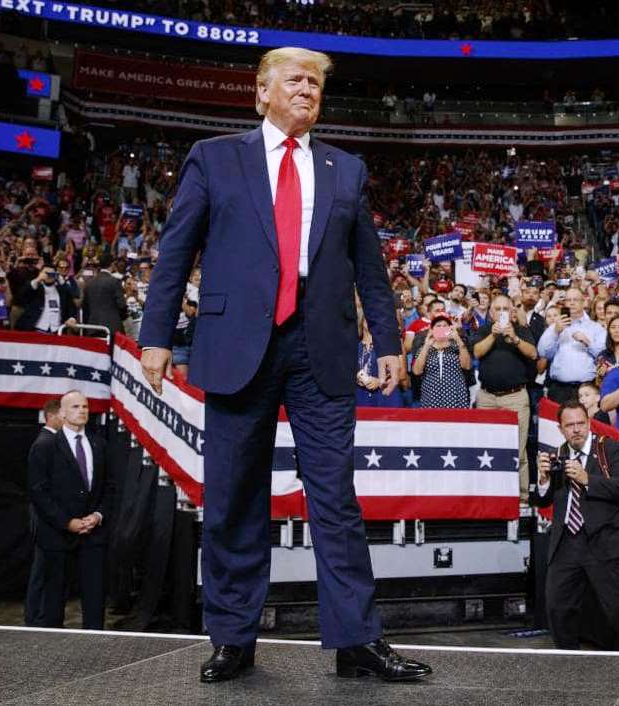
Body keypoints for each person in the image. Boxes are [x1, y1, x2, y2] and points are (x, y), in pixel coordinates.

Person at [138, 47, 431, 684]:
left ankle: (357, 640)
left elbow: (370, 267)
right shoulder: (215, 157)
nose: (307, 90)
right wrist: (155, 335)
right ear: (261, 93)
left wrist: (388, 342)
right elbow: (175, 251)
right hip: (237, 344)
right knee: (233, 496)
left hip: (319, 348)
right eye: (295, 80)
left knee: (335, 497)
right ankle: (232, 637)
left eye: (316, 84)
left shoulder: (345, 168)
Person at [534, 401, 619, 651]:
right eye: (569, 425)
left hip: (603, 540)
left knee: (617, 607)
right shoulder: (558, 454)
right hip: (566, 541)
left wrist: (587, 479)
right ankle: (569, 659)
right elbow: (543, 500)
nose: (576, 429)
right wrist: (543, 480)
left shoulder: (610, 448)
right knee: (557, 606)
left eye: (580, 423)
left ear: (589, 423)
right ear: (560, 428)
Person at [27, 391, 112, 630]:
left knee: (95, 601)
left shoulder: (99, 444)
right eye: (75, 407)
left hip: (94, 535)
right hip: (57, 536)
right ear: (62, 413)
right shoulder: (45, 446)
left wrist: (97, 515)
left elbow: (110, 487)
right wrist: (67, 522)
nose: (82, 411)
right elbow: (38, 492)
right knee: (53, 604)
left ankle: (95, 645)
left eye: (85, 406)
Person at [472, 294, 538, 498]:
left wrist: (515, 339)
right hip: (487, 398)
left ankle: (522, 497)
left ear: (512, 311)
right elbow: (477, 352)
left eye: (505, 309)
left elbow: (533, 354)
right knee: (486, 448)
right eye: (497, 309)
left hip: (515, 397)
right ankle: (489, 494)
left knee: (518, 448)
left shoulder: (521, 330)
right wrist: (493, 335)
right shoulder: (484, 330)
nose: (502, 312)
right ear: (491, 313)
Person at [24, 398, 63, 627]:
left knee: (47, 570)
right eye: (64, 414)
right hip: (45, 518)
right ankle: (34, 619)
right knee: (41, 570)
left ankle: (41, 617)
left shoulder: (52, 442)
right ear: (53, 416)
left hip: (48, 517)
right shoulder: (45, 443)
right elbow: (38, 487)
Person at [537, 287, 607, 405]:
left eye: (575, 299)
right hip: (559, 389)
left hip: (586, 390)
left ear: (583, 302)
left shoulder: (595, 328)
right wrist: (555, 332)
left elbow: (603, 355)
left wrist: (587, 342)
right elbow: (543, 352)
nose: (572, 303)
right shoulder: (555, 326)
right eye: (568, 300)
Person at [412, 314, 471, 408]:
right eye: (438, 326)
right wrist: (427, 345)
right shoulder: (424, 348)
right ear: (432, 329)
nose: (442, 328)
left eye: (445, 326)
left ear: (450, 328)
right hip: (430, 398)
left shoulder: (458, 346)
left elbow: (467, 366)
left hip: (456, 397)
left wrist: (458, 339)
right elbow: (417, 371)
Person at [15, 264, 78, 333]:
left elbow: (72, 306)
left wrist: (72, 318)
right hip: (35, 329)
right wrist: (37, 279)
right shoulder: (35, 287)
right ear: (40, 273)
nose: (49, 276)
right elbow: (20, 298)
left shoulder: (62, 290)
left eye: (52, 274)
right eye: (46, 273)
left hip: (57, 331)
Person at [82, 252, 127, 339]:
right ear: (112, 264)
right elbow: (122, 305)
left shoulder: (90, 283)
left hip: (93, 328)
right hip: (112, 329)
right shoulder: (114, 282)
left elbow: (85, 308)